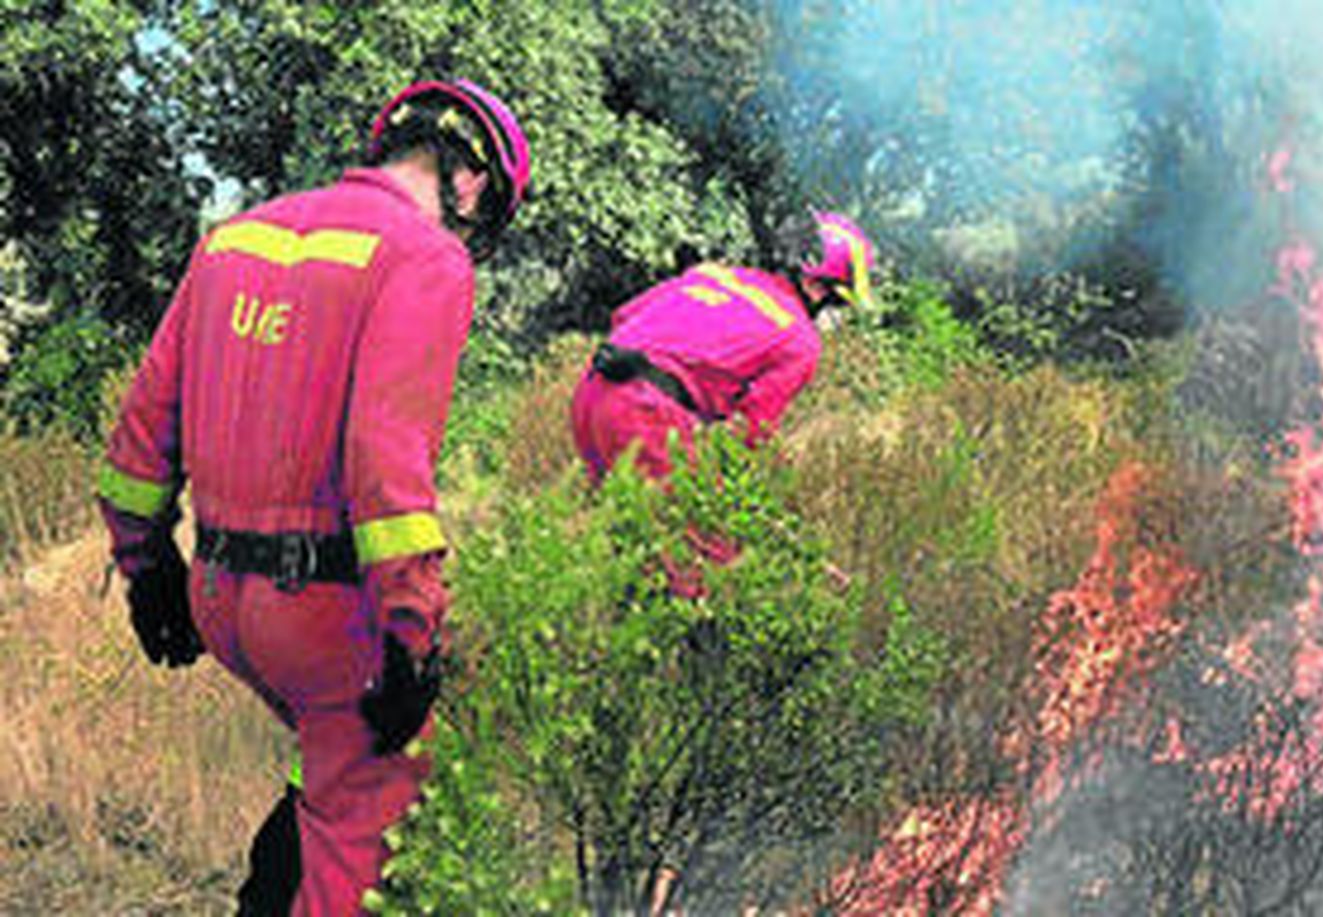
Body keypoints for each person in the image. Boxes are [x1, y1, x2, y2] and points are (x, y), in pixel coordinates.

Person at [94, 78, 532, 915]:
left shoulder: (232, 240)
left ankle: (272, 883)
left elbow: (141, 432)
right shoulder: (425, 257)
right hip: (330, 617)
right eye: (482, 215)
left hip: (219, 597)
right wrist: (411, 629)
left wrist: (147, 567)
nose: (470, 231)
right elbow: (385, 461)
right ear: (471, 180)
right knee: (364, 829)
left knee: (329, 756)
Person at [570, 211, 876, 486]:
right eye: (836, 301)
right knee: (699, 542)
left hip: (592, 390)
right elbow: (751, 431)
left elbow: (623, 316)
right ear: (820, 287)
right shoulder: (800, 339)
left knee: (612, 527)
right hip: (643, 414)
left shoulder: (713, 274)